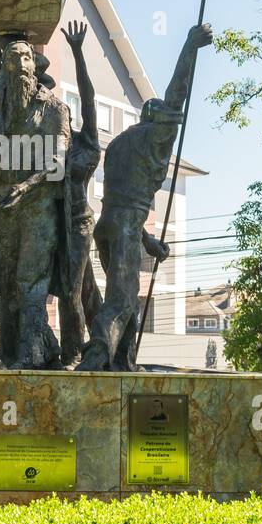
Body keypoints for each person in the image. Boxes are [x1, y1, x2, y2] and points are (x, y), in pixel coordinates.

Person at [80, 23, 213, 371]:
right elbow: (177, 93)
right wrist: (189, 47)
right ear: (157, 121)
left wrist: (148, 240)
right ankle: (95, 356)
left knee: (127, 300)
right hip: (122, 226)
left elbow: (123, 201)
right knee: (122, 301)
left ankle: (124, 363)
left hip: (110, 225)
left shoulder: (120, 144)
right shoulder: (153, 138)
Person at [0, 32, 72, 369]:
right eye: (11, 58)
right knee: (6, 286)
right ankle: (22, 349)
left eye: (25, 57)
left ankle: (30, 358)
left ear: (35, 65)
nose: (19, 64)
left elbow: (57, 162)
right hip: (2, 211)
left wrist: (26, 187)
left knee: (29, 281)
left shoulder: (54, 109)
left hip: (38, 209)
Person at [57, 19, 103, 367]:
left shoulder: (86, 144)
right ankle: (104, 342)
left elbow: (88, 98)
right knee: (86, 289)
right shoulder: (49, 150)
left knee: (69, 291)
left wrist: (77, 52)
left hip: (78, 222)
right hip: (56, 224)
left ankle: (72, 352)